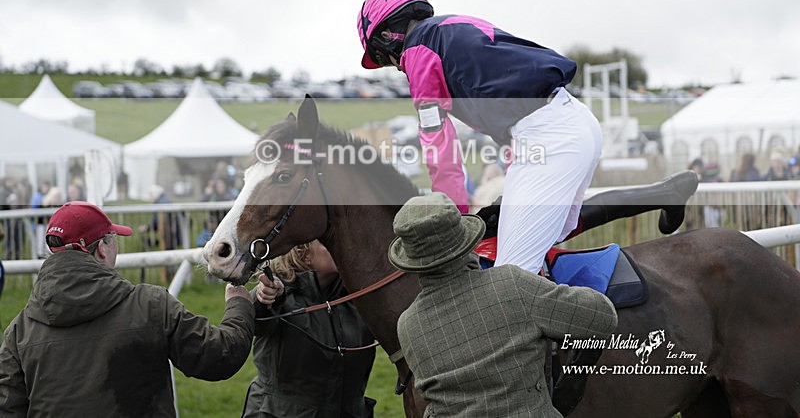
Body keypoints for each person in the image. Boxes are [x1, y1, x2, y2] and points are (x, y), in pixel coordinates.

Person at [358, 0, 640, 273]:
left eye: (381, 59)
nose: (393, 67)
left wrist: (453, 219)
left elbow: (439, 147)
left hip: (551, 135)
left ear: (387, 38)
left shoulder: (417, 53)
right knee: (544, 241)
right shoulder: (452, 25)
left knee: (510, 277)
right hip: (571, 119)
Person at [0, 201, 255, 416]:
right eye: (113, 240)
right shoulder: (150, 304)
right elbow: (221, 355)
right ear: (102, 249)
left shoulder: (18, 331)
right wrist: (239, 302)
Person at [388, 192, 617, 417]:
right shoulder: (511, 284)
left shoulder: (407, 325)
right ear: (466, 240)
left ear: (411, 261)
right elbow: (602, 317)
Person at [243, 240, 376, 417]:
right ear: (302, 254)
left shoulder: (357, 297)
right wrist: (264, 298)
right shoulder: (279, 294)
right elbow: (256, 319)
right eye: (328, 243)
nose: (343, 246)